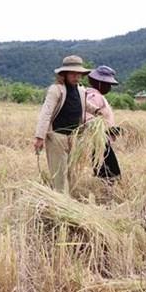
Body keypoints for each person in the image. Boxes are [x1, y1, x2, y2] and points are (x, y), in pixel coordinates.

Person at [33, 55, 101, 194]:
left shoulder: (80, 90)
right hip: (57, 136)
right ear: (64, 74)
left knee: (71, 170)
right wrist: (40, 137)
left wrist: (97, 110)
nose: (76, 77)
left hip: (75, 136)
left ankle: (69, 198)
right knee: (59, 173)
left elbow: (83, 105)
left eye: (79, 74)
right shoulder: (56, 90)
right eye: (73, 73)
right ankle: (60, 201)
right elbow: (46, 113)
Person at [86, 65, 121, 184]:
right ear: (99, 83)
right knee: (111, 173)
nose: (109, 87)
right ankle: (105, 195)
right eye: (107, 84)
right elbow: (89, 120)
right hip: (99, 141)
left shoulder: (96, 96)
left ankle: (104, 193)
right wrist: (107, 131)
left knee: (106, 172)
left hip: (102, 140)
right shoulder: (94, 96)